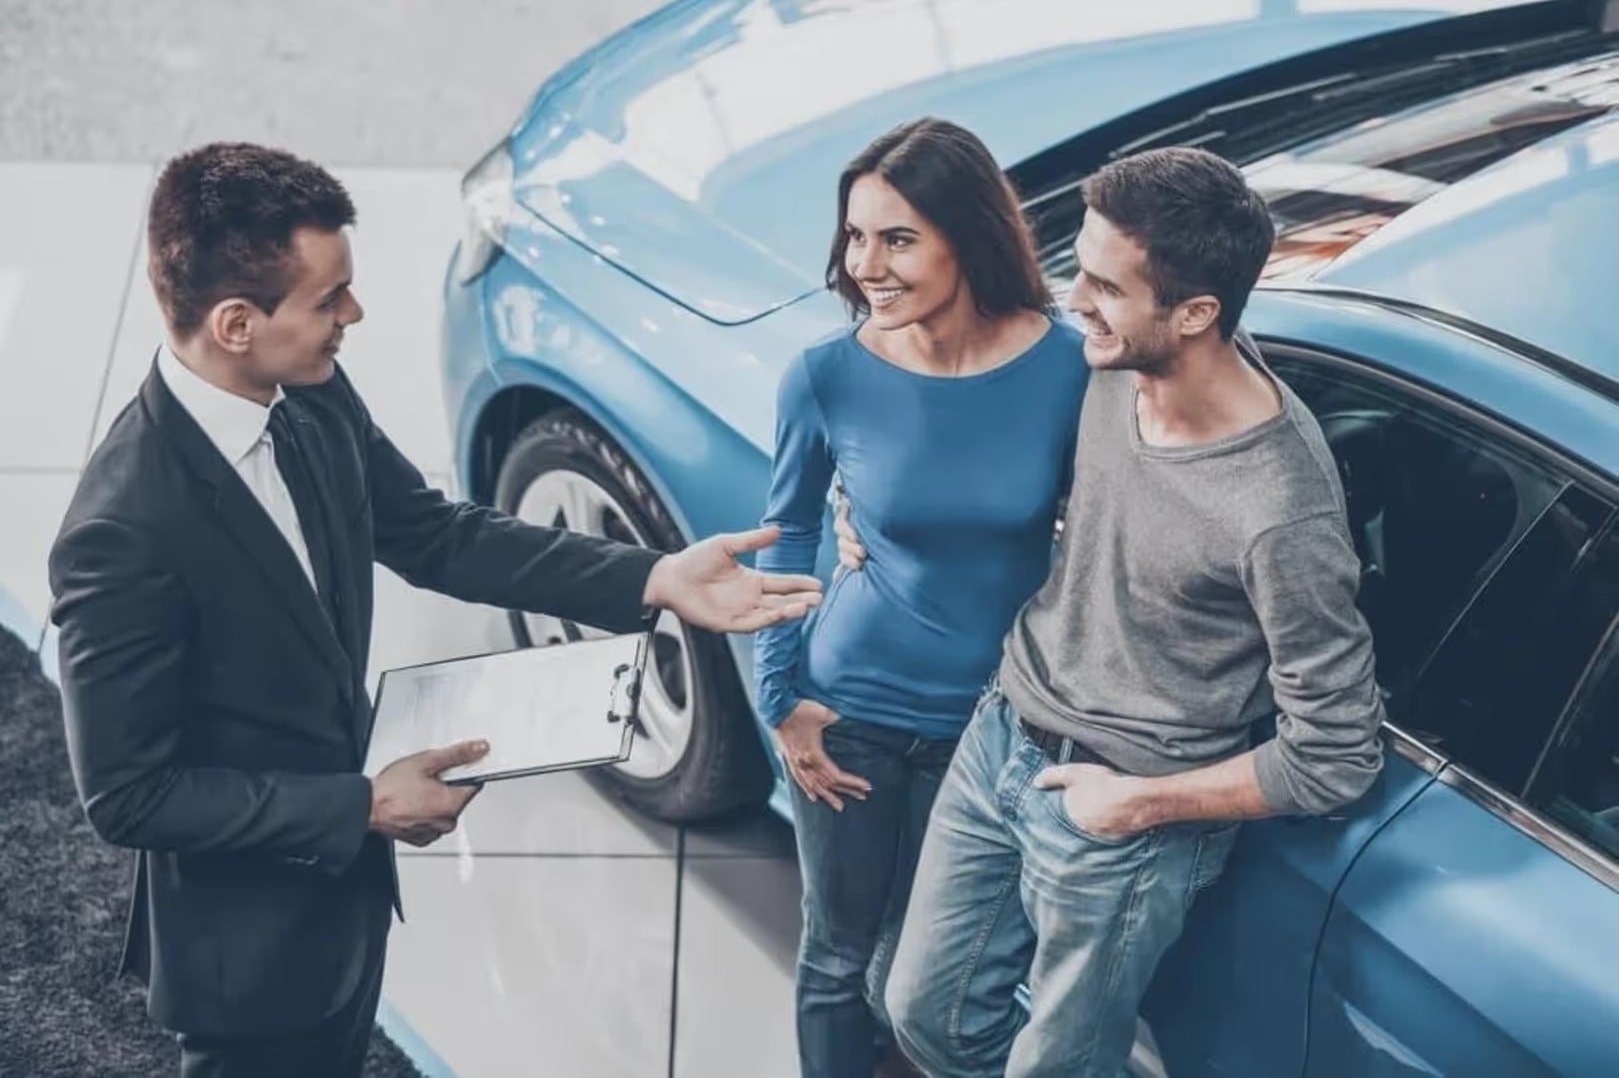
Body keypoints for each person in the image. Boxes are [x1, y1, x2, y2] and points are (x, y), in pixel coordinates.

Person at [47, 142, 821, 1078]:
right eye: (329, 299)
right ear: (237, 323)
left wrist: (653, 578)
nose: (354, 316)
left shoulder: (310, 396)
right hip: (247, 950)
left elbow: (435, 535)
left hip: (346, 895)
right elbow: (128, 795)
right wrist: (363, 804)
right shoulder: (121, 531)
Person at [833, 147, 1387, 1076]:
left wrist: (1138, 806)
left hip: (1121, 815)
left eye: (1101, 285)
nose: (1072, 301)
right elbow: (978, 424)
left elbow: (1335, 755)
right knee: (919, 1012)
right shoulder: (1109, 364)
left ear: (1196, 313)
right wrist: (868, 506)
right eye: (1076, 267)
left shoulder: (1278, 512)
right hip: (1004, 732)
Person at [752, 118, 1089, 1078]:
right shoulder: (825, 375)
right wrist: (783, 700)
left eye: (896, 238)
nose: (867, 265)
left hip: (986, 730)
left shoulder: (1066, 368)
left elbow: (1104, 528)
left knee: (918, 975)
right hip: (847, 703)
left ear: (967, 236)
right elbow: (789, 536)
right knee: (835, 953)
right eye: (855, 237)